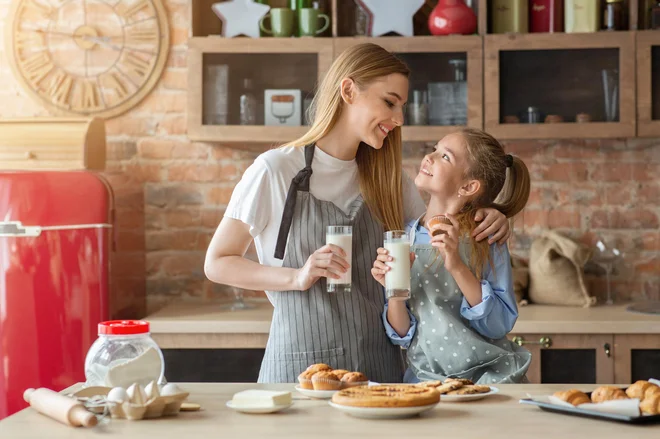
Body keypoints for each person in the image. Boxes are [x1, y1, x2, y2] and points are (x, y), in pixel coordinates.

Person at [204, 43, 511, 384]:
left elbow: (435, 238)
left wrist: (488, 213)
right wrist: (296, 277)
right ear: (349, 90)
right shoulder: (276, 170)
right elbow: (218, 262)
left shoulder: (391, 181)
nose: (398, 119)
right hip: (299, 371)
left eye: (402, 107)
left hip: (377, 372)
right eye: (389, 102)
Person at [372, 128, 532, 384]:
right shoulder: (405, 238)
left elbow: (498, 325)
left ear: (468, 186)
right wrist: (393, 290)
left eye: (445, 156)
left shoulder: (486, 238)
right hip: (426, 380)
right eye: (434, 149)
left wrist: (456, 264)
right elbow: (401, 334)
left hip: (489, 379)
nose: (429, 157)